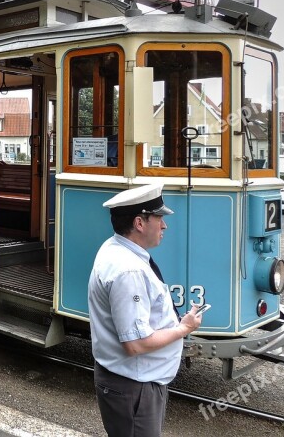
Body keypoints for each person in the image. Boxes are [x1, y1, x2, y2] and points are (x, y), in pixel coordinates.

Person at [87, 183, 202, 437]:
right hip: (134, 387)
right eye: (159, 218)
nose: (164, 225)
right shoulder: (129, 270)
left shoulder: (115, 248)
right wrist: (184, 328)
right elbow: (136, 344)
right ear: (140, 223)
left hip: (131, 382)